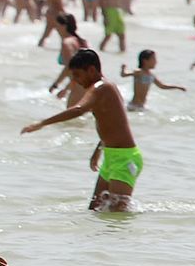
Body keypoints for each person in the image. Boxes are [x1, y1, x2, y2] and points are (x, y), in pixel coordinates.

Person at [23, 49, 142, 211]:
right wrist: (98, 151)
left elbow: (78, 109)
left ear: (92, 70)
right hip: (111, 156)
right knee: (95, 209)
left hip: (124, 159)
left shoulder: (102, 87)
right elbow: (112, 125)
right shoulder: (104, 88)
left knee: (117, 215)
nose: (76, 81)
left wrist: (42, 123)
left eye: (78, 75)